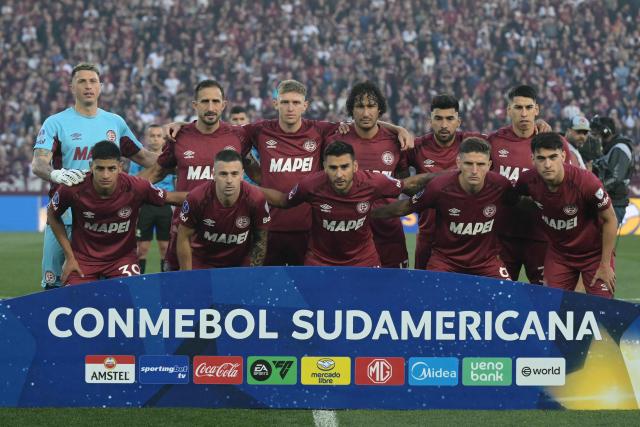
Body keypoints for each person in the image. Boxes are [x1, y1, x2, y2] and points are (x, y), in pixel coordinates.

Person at [32, 63, 159, 289]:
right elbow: (39, 163)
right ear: (72, 87)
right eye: (82, 81)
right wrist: (57, 174)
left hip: (104, 219)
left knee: (107, 288)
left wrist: (182, 153)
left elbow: (146, 158)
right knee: (53, 284)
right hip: (65, 216)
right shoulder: (56, 122)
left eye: (93, 81)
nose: (88, 86)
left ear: (101, 87)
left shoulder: (115, 123)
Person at [139, 80, 253, 271]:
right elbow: (156, 172)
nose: (210, 107)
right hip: (185, 232)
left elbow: (258, 172)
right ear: (195, 105)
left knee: (227, 298)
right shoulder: (179, 136)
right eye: (205, 102)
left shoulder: (238, 135)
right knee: (181, 297)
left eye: (216, 102)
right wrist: (122, 189)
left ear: (224, 105)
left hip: (227, 235)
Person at [258, 141, 430, 267]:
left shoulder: (373, 182)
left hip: (363, 260)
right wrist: (244, 188)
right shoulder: (310, 186)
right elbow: (283, 200)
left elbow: (409, 184)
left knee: (369, 308)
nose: (339, 174)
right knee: (316, 311)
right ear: (325, 167)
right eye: (333, 168)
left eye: (344, 167)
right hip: (320, 261)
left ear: (355, 166)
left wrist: (448, 177)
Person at [46, 141, 186, 285]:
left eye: (111, 168)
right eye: (100, 168)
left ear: (120, 167)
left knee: (131, 300)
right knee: (77, 303)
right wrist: (70, 257)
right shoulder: (73, 188)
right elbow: (52, 214)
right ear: (91, 167)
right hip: (84, 260)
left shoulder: (137, 186)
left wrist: (206, 194)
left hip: (122, 260)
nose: (105, 175)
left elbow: (171, 197)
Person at [374, 137, 513, 279]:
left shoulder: (501, 185)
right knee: (430, 298)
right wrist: (368, 214)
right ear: (458, 163)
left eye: (481, 164)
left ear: (489, 164)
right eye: (468, 163)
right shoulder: (439, 187)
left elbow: (520, 204)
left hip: (486, 263)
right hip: (446, 262)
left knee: (508, 298)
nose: (474, 170)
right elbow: (405, 207)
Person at [516, 132, 618, 298]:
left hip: (594, 254)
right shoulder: (527, 181)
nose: (547, 164)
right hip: (559, 254)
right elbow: (516, 201)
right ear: (532, 159)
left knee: (602, 311)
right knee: (551, 305)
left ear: (563, 156)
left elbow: (610, 219)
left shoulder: (586, 182)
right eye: (541, 158)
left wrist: (605, 265)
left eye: (553, 157)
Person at [488, 85, 572, 284]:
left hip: (542, 237)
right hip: (502, 237)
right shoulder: (494, 142)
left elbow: (568, 186)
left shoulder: (554, 143)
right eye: (518, 107)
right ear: (509, 110)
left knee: (546, 299)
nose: (523, 113)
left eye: (528, 107)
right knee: (499, 298)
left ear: (537, 109)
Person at [326, 81, 410, 268]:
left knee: (393, 292)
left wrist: (399, 129)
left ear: (380, 110)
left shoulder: (396, 142)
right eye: (360, 107)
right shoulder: (336, 140)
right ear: (351, 110)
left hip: (389, 232)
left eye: (371, 106)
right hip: (349, 235)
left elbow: (404, 182)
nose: (365, 113)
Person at [408, 94, 485, 269]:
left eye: (450, 118)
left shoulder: (472, 142)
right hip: (428, 235)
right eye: (438, 118)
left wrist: (538, 127)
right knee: (424, 292)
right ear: (430, 121)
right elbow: (403, 182)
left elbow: (506, 137)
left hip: (465, 238)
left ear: (458, 121)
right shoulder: (417, 147)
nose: (444, 125)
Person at [177, 150, 270, 269]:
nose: (229, 180)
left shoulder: (256, 199)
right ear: (213, 174)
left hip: (240, 266)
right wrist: (187, 275)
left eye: (234, 174)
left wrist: (252, 273)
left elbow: (260, 239)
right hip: (203, 264)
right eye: (223, 174)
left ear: (242, 175)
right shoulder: (196, 198)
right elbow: (183, 236)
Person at [129, 125, 175, 273]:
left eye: (158, 136)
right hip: (146, 205)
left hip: (167, 203)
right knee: (142, 248)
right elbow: (134, 182)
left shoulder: (170, 158)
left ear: (163, 139)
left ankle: (164, 280)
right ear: (146, 139)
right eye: (152, 136)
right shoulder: (137, 160)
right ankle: (139, 279)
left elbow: (177, 181)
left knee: (164, 247)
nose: (155, 139)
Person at [590, 116, 635, 224]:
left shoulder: (620, 148)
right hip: (608, 201)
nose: (594, 137)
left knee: (603, 240)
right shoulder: (612, 148)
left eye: (596, 134)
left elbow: (615, 178)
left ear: (606, 132)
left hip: (614, 203)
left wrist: (593, 191)